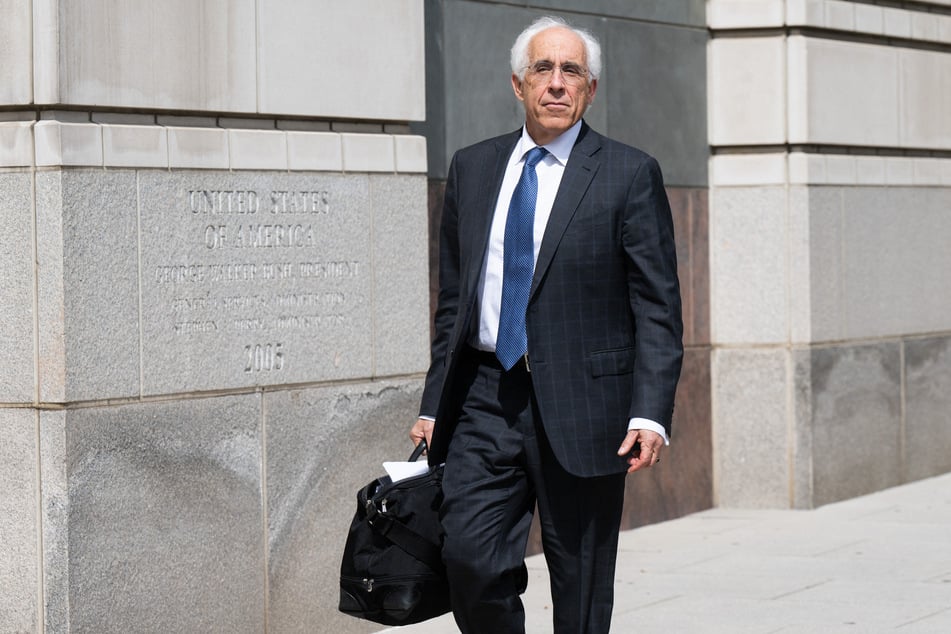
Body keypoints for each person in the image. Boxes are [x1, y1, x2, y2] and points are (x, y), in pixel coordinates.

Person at [410, 15, 683, 634]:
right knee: (469, 562)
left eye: (572, 72)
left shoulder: (627, 173)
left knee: (581, 587)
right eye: (543, 69)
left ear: (590, 91)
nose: (556, 83)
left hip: (590, 408)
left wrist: (650, 412)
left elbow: (658, 306)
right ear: (517, 84)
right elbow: (454, 301)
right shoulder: (474, 168)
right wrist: (435, 404)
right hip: (485, 399)